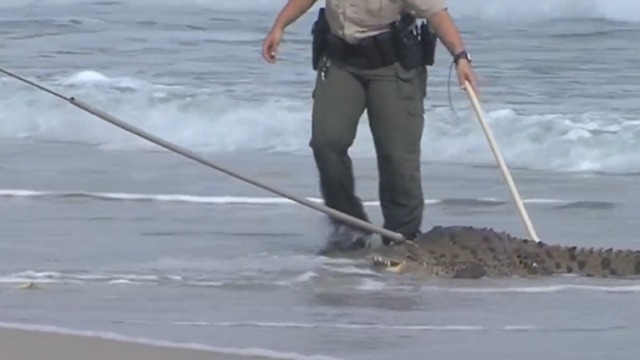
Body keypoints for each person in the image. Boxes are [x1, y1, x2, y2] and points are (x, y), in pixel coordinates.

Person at [261, 0, 479, 246]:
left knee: (397, 155)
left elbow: (437, 14)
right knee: (327, 141)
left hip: (392, 65)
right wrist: (279, 27)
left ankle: (402, 237)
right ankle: (349, 226)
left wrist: (461, 57)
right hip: (342, 60)